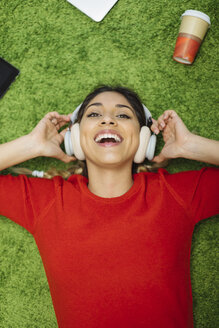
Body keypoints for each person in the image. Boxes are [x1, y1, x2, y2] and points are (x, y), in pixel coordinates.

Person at [0, 85, 218, 328]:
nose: (107, 120)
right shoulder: (46, 203)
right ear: (75, 139)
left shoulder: (176, 194)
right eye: (94, 114)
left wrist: (192, 145)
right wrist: (31, 145)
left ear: (145, 140)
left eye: (123, 115)